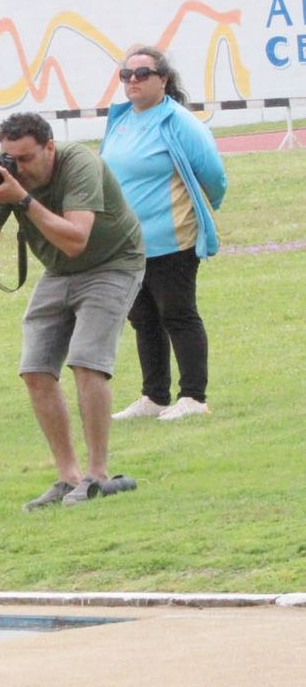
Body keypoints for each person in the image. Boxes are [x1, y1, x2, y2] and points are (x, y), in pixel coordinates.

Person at [0, 112, 146, 510]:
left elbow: (77, 239)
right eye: (10, 158)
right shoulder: (10, 180)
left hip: (112, 264)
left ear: (49, 147)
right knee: (35, 370)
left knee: (86, 362)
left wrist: (22, 200)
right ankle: (68, 477)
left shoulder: (79, 164)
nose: (19, 167)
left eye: (26, 158)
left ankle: (97, 475)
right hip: (60, 271)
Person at [101, 46, 227, 422]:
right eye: (126, 75)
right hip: (126, 244)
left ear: (164, 80)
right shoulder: (121, 119)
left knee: (178, 313)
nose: (133, 81)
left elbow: (214, 176)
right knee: (142, 318)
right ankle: (154, 396)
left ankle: (193, 396)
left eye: (142, 74)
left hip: (172, 240)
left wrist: (200, 210)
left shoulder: (178, 121)